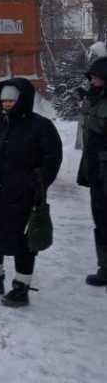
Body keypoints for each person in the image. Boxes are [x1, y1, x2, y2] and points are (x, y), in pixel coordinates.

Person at [0, 77, 62, 307]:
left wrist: (36, 183)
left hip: (22, 196)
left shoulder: (41, 127)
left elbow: (52, 159)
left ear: (23, 100)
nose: (6, 104)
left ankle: (21, 287)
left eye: (11, 100)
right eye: (4, 100)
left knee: (23, 242)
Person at [77, 56, 107, 287]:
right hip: (97, 169)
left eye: (96, 78)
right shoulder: (95, 99)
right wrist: (87, 100)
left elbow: (99, 128)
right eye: (91, 77)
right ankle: (104, 268)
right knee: (101, 220)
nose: (92, 81)